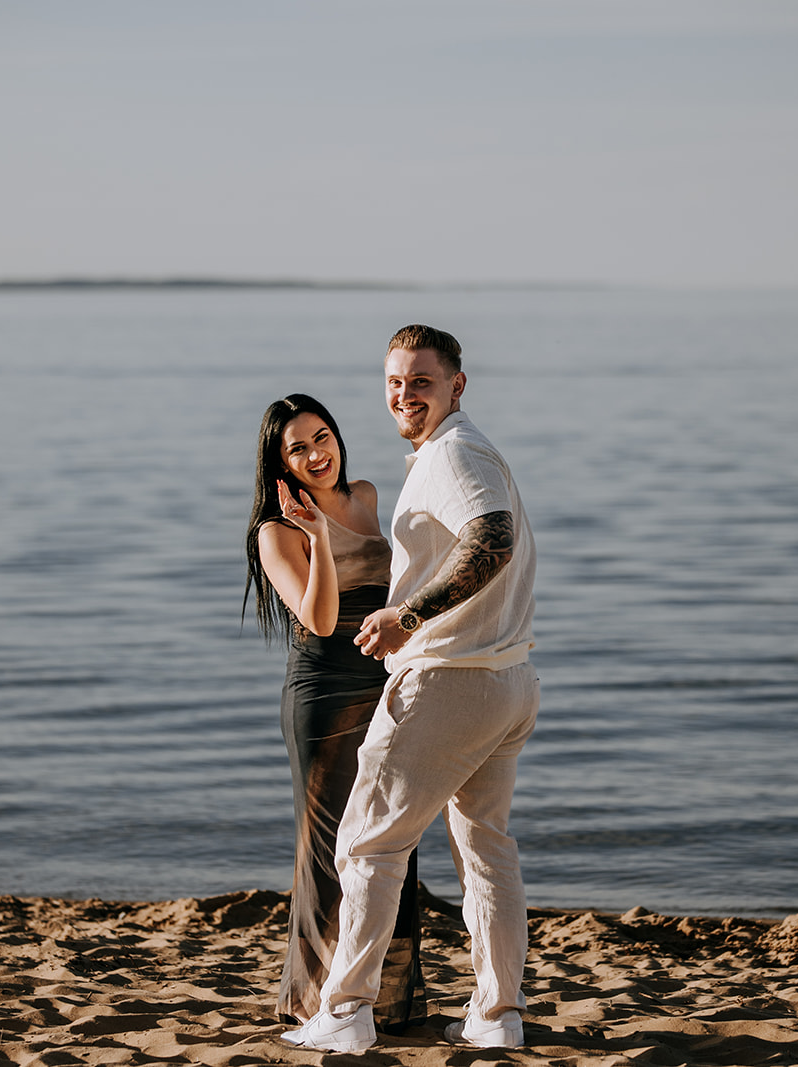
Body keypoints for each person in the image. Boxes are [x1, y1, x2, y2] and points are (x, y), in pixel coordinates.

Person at [283, 325, 540, 1053]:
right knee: (485, 849)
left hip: (450, 680)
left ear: (456, 385)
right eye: (394, 381)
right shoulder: (460, 450)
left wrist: (407, 613)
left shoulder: (455, 453)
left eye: (421, 381)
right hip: (507, 679)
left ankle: (347, 1009)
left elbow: (491, 537)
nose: (404, 394)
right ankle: (497, 1016)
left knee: (367, 844)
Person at [242, 393, 425, 1033]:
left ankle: (387, 999)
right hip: (323, 697)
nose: (318, 454)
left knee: (391, 836)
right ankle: (319, 999)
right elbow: (319, 620)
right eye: (299, 447)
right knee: (329, 851)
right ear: (279, 464)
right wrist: (317, 536)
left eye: (323, 437)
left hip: (386, 686)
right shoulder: (276, 533)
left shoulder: (370, 495)